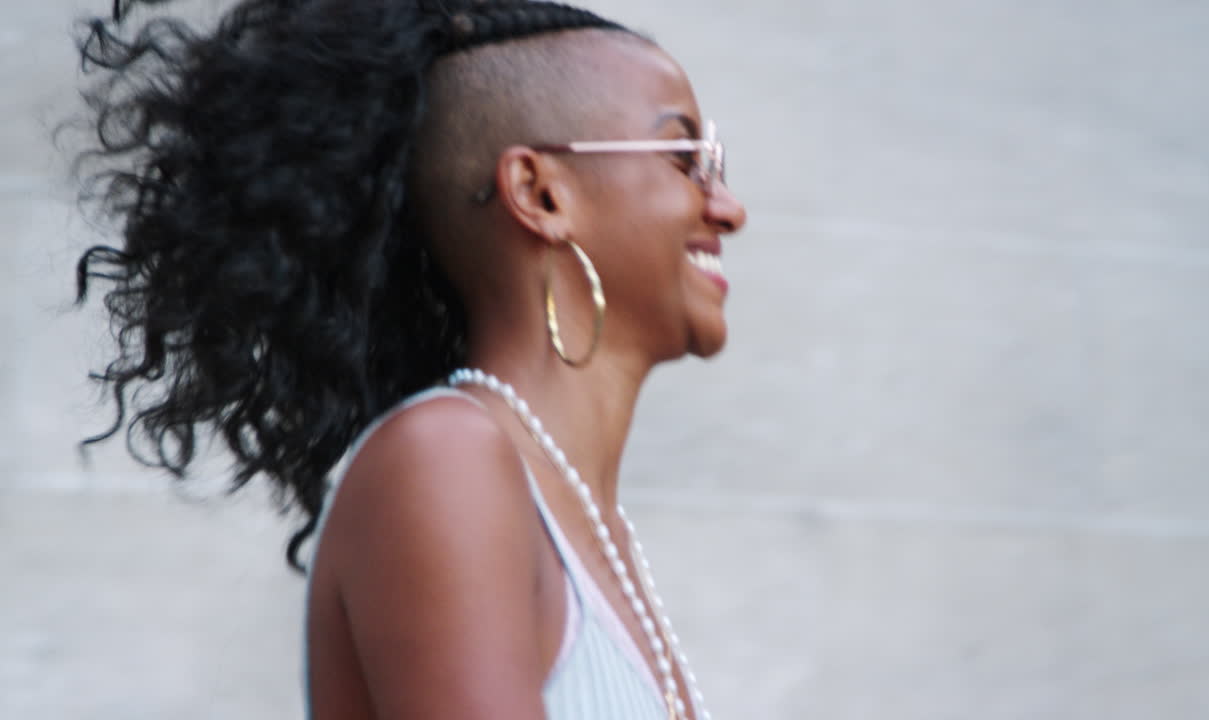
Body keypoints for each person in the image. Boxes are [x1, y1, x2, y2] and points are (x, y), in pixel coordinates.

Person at [74, 0, 747, 717]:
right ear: (540, 193)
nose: (729, 208)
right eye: (684, 160)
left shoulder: (586, 523)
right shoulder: (448, 457)